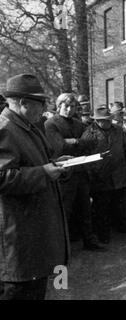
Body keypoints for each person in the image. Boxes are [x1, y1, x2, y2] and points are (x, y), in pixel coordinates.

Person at [0, 74, 69, 300]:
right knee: (20, 292)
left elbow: (33, 162)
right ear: (24, 103)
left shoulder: (26, 126)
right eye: (41, 103)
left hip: (33, 232)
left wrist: (56, 164)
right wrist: (43, 172)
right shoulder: (5, 129)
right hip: (19, 239)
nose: (45, 108)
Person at [44, 93, 105, 251]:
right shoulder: (51, 124)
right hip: (64, 173)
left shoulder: (78, 124)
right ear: (59, 106)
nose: (70, 109)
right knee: (65, 211)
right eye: (66, 106)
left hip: (81, 171)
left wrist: (74, 142)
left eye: (72, 107)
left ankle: (89, 240)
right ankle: (61, 247)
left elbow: (90, 142)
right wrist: (77, 142)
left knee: (85, 208)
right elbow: (60, 147)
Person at [81, 105, 126, 242]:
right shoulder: (88, 134)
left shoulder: (119, 131)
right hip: (101, 178)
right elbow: (85, 158)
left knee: (124, 206)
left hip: (118, 175)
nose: (109, 122)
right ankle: (103, 236)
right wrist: (92, 175)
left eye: (110, 119)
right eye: (105, 120)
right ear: (98, 121)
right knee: (102, 209)